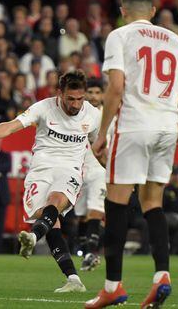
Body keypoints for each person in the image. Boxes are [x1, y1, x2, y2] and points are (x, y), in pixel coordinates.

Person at [85, 0, 178, 308]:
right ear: (153, 12)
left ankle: (113, 287)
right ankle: (161, 276)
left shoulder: (120, 35)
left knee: (115, 203)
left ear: (123, 10)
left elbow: (114, 88)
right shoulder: (172, 38)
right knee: (152, 203)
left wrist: (102, 134)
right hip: (167, 128)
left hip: (134, 126)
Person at [0, 70, 101, 293]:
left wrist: (114, 172)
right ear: (59, 94)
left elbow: (99, 147)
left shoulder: (92, 115)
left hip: (70, 169)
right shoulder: (43, 108)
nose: (75, 105)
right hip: (41, 169)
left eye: (80, 99)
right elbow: (10, 126)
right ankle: (73, 279)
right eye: (70, 99)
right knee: (51, 223)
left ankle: (33, 237)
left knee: (55, 201)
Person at [74, 79, 106, 271]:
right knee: (81, 215)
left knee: (96, 209)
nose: (94, 96)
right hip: (78, 169)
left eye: (97, 92)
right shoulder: (78, 114)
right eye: (91, 92)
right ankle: (84, 250)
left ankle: (91, 252)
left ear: (102, 94)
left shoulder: (108, 115)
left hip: (99, 169)